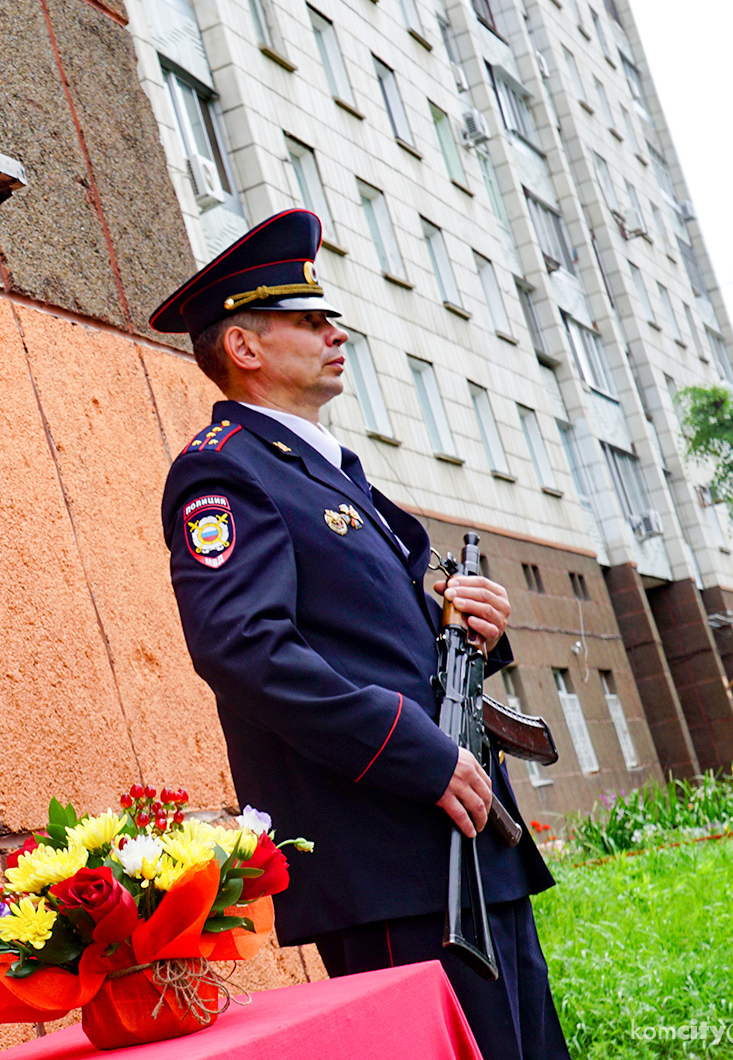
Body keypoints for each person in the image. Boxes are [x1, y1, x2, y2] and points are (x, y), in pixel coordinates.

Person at [152, 209, 569, 1060]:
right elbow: (244, 648)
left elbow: (386, 640)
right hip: (390, 853)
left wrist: (473, 628)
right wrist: (413, 752)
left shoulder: (331, 473)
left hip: (461, 830)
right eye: (308, 321)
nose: (335, 334)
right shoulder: (224, 467)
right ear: (245, 347)